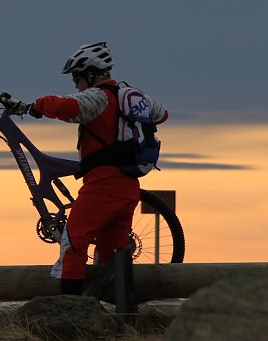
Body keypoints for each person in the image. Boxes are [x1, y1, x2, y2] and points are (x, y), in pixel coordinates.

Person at [10, 42, 168, 295]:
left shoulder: (99, 97)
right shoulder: (131, 96)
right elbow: (162, 114)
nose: (75, 85)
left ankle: (70, 307)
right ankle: (115, 309)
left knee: (73, 241)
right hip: (128, 187)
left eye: (77, 78)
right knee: (112, 254)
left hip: (103, 185)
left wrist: (36, 105)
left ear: (91, 74)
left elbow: (66, 107)